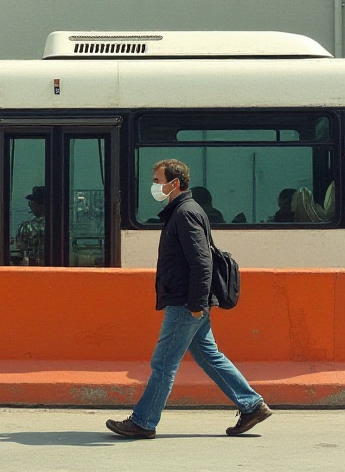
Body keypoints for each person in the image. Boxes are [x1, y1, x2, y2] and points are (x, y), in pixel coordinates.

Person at [106, 159, 271, 439]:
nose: (155, 187)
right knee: (210, 356)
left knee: (163, 364)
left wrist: (196, 304)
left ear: (175, 183)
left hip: (185, 303)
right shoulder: (183, 211)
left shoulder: (185, 213)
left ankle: (143, 422)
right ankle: (252, 405)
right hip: (188, 300)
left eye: (158, 181)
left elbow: (202, 262)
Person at [15, 186, 46, 266]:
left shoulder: (25, 227)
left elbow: (20, 250)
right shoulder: (59, 227)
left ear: (36, 204)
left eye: (32, 202)